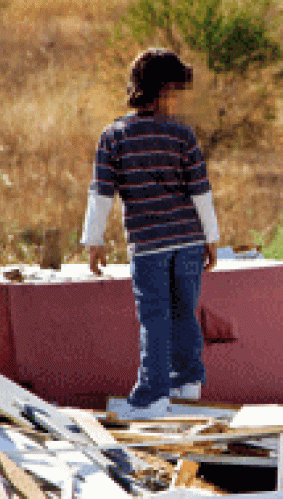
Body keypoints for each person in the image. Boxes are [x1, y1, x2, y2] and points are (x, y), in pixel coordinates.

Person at [81, 48, 220, 419]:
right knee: (181, 312)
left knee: (156, 317)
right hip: (187, 240)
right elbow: (200, 191)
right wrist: (211, 236)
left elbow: (101, 192)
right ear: (155, 91)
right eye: (173, 92)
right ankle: (185, 381)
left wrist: (93, 240)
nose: (176, 101)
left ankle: (152, 395)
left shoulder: (114, 137)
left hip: (150, 244)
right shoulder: (182, 136)